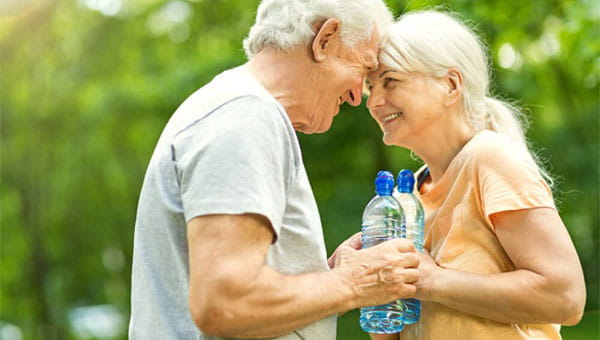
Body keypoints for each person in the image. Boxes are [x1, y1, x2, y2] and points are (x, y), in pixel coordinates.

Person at [128, 1, 421, 339]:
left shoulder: (234, 109)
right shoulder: (246, 118)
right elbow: (225, 304)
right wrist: (354, 283)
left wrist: (332, 275)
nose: (358, 96)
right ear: (325, 39)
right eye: (363, 67)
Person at [364, 10, 586, 340]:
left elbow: (565, 297)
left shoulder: (490, 159)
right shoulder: (402, 199)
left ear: (450, 85)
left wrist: (430, 281)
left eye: (390, 81)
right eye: (370, 87)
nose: (375, 102)